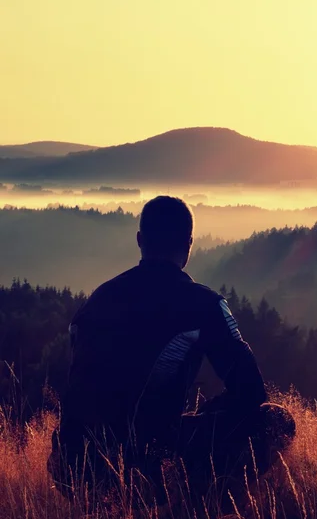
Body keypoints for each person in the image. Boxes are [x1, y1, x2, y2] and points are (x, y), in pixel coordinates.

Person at [48, 196, 295, 502]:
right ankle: (203, 505)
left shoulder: (97, 300)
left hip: (70, 468)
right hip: (144, 469)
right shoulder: (203, 304)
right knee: (276, 421)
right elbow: (253, 393)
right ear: (189, 245)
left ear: (140, 240)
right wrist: (208, 411)